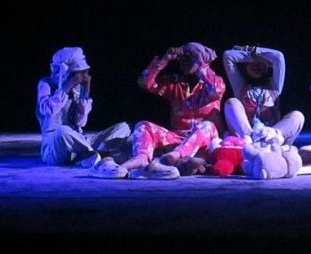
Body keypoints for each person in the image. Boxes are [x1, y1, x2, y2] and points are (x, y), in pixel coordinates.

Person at [90, 42, 226, 179]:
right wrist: (165, 59)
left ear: (202, 59)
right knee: (143, 125)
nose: (185, 61)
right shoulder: (176, 84)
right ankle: (140, 160)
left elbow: (216, 90)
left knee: (207, 126)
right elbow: (145, 83)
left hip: (206, 144)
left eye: (191, 57)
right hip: (178, 140)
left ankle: (172, 159)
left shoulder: (215, 82)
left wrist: (201, 63)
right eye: (182, 58)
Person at [36, 46, 132, 171]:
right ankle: (99, 155)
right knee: (63, 130)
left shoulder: (77, 88)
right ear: (66, 71)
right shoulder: (46, 83)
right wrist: (65, 88)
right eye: (78, 71)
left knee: (123, 127)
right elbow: (47, 110)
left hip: (80, 143)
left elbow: (81, 123)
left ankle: (89, 156)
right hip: (55, 147)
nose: (82, 75)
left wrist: (86, 92)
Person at [222, 45, 304, 147]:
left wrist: (253, 50)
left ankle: (270, 139)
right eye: (251, 62)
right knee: (232, 102)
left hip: (271, 138)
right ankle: (249, 138)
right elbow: (228, 56)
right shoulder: (240, 86)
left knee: (298, 116)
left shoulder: (274, 87)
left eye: (260, 62)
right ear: (245, 65)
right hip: (247, 140)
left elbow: (279, 57)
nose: (256, 65)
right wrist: (249, 53)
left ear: (267, 66)